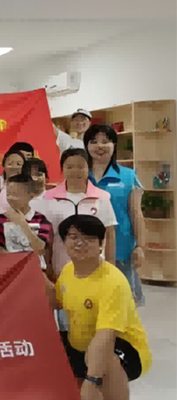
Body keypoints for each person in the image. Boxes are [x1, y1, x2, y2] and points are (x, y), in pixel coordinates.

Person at [45, 215, 151, 400]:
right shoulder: (68, 271)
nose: (79, 243)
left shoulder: (112, 282)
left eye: (88, 238)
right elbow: (57, 301)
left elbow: (106, 336)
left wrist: (93, 381)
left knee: (107, 363)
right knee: (45, 347)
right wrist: (33, 273)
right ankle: (85, 389)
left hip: (123, 347)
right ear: (64, 242)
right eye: (73, 237)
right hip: (81, 344)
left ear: (101, 243)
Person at [85, 125, 146, 305]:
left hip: (121, 247)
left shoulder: (128, 176)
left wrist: (140, 246)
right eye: (93, 141)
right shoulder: (79, 175)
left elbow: (136, 213)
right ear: (86, 146)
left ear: (114, 145)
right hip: (86, 247)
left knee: (122, 300)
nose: (99, 146)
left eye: (105, 141)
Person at [38, 148, 117, 280]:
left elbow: (109, 234)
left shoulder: (101, 197)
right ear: (62, 169)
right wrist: (48, 266)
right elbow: (47, 237)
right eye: (69, 167)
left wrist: (111, 266)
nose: (75, 171)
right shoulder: (48, 198)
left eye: (80, 167)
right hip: (61, 267)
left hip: (95, 269)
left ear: (89, 168)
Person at [0, 174, 54, 270]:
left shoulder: (41, 220)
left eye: (15, 194)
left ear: (31, 195)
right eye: (8, 194)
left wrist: (22, 223)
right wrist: (17, 262)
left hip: (35, 271)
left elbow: (40, 248)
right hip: (9, 271)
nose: (10, 198)